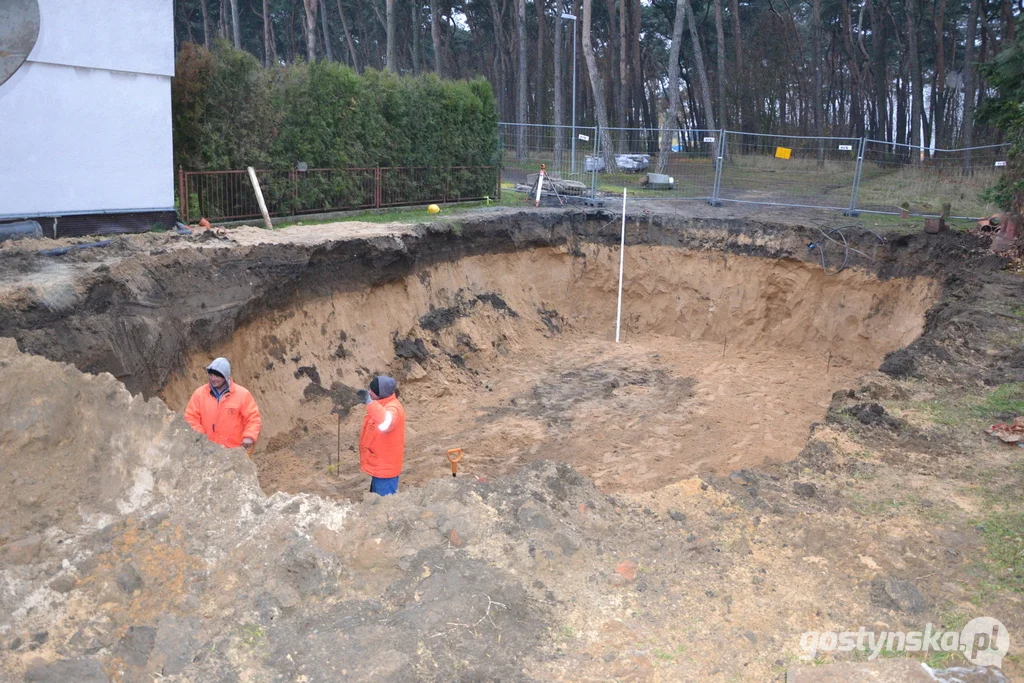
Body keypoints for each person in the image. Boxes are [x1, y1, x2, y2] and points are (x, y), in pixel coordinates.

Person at [184, 357, 262, 452]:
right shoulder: (199, 394)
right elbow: (191, 418)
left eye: (217, 376)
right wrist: (201, 438)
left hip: (235, 451)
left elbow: (253, 419)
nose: (213, 379)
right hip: (207, 451)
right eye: (211, 375)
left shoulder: (243, 395)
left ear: (226, 376)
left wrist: (249, 436)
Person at [357, 375, 406, 495]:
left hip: (386, 469)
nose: (369, 392)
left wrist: (369, 402)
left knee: (385, 506)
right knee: (377, 502)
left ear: (381, 393)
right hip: (380, 465)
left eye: (372, 391)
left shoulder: (393, 408)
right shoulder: (381, 404)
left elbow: (385, 421)